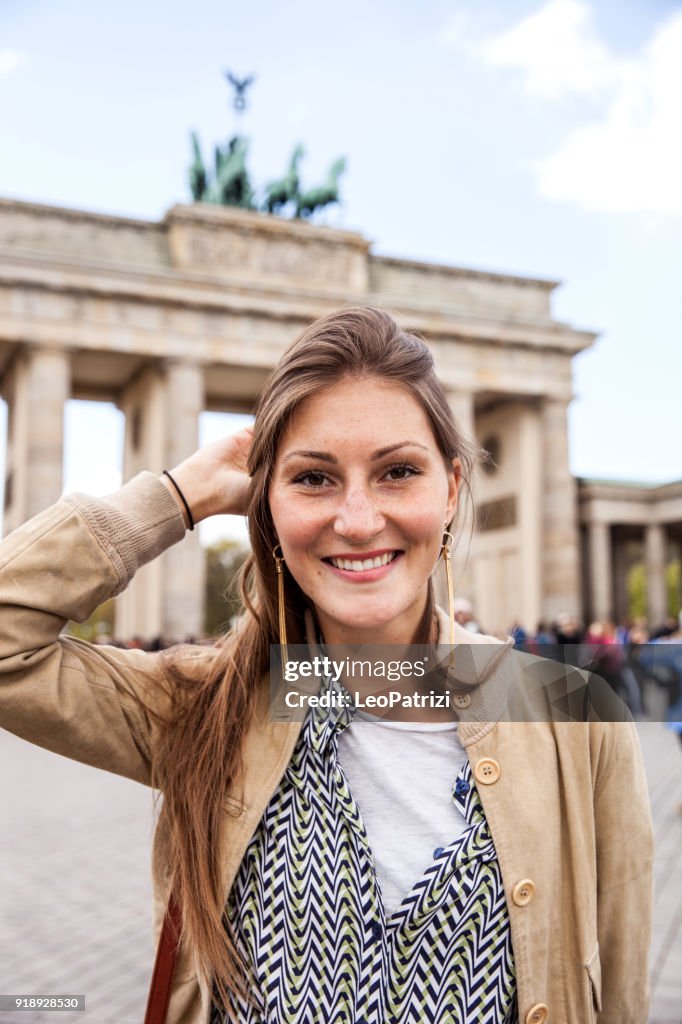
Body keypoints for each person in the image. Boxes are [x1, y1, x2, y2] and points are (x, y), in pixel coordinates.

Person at [0, 307, 654, 1024]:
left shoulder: (574, 717)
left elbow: (620, 992)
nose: (358, 518)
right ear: (267, 507)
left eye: (398, 471)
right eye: (313, 479)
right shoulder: (201, 705)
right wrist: (178, 495)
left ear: (453, 488)